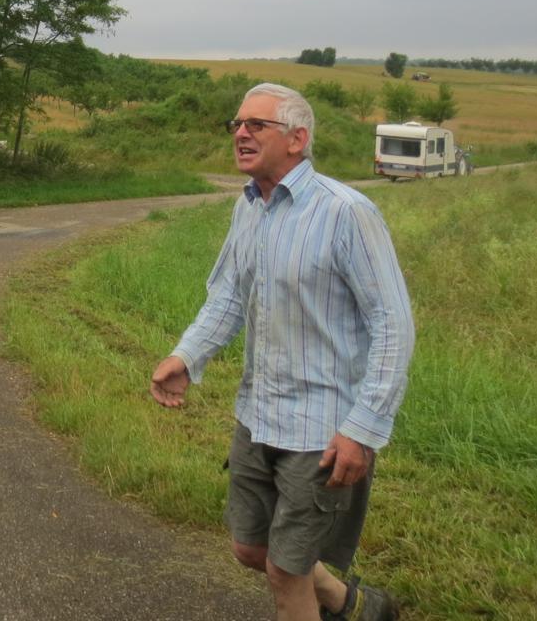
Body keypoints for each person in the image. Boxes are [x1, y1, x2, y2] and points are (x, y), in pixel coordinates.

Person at [149, 83, 414, 621]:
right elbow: (227, 297)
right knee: (251, 549)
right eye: (237, 124)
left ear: (298, 139)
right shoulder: (249, 209)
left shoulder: (347, 213)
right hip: (257, 415)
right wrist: (186, 357)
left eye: (256, 125)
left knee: (285, 572)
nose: (240, 133)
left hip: (322, 427)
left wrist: (362, 429)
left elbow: (393, 325)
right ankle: (354, 604)